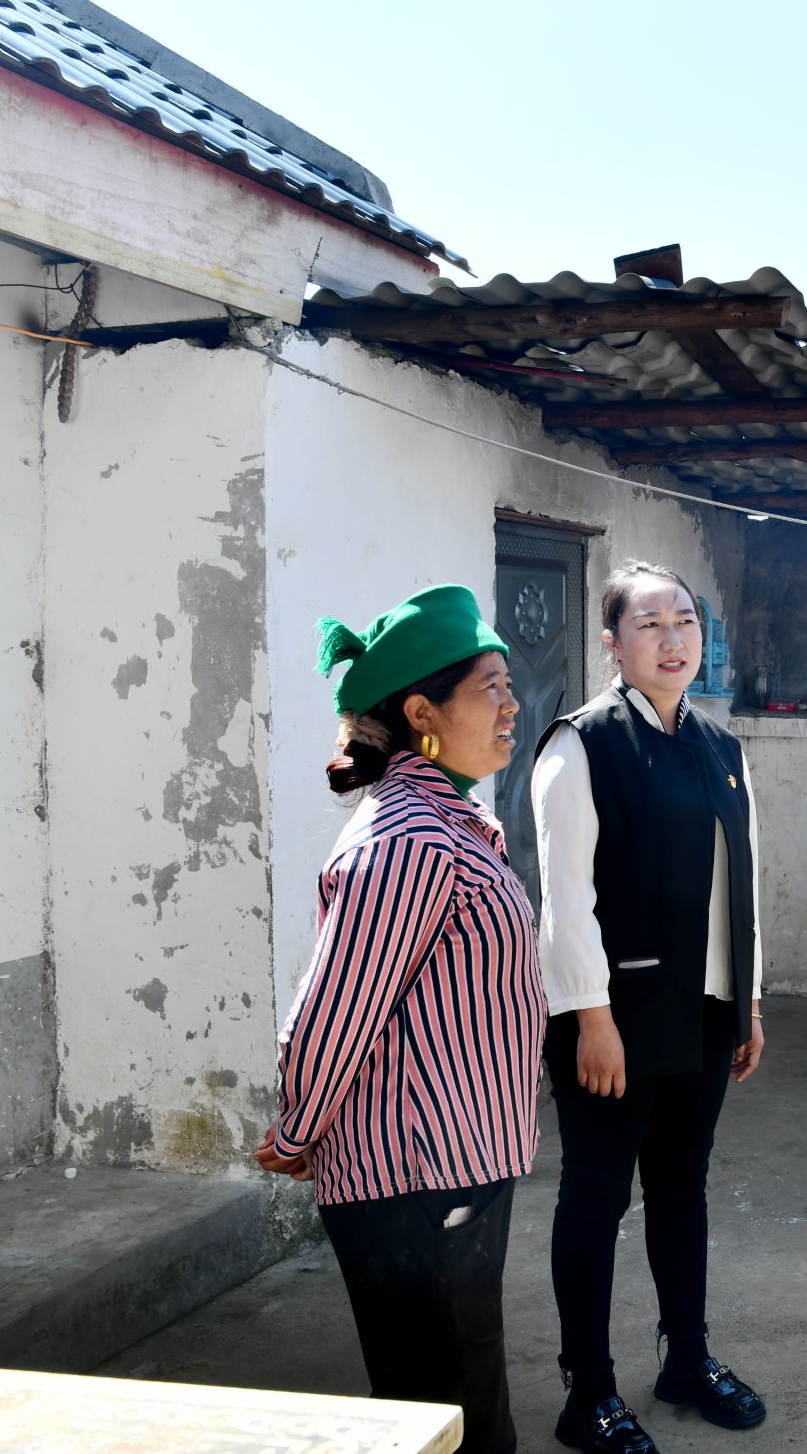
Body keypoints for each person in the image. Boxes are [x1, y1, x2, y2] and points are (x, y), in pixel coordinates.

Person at [256, 585, 543, 1454]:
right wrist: (298, 1128)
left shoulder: (452, 818)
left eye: (509, 685)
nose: (512, 705)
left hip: (453, 1163)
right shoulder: (410, 839)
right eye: (490, 687)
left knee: (462, 1390)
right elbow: (334, 1012)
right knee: (441, 1408)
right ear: (422, 713)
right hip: (413, 1176)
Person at [532, 562, 769, 1452]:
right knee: (596, 1198)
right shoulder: (581, 745)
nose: (674, 640)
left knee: (681, 1186)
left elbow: (742, 882)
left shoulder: (721, 748)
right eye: (650, 624)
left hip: (703, 1010)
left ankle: (686, 1357)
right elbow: (565, 902)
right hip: (615, 1018)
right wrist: (590, 1018)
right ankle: (586, 1392)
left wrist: (748, 999)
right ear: (612, 642)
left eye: (685, 622)